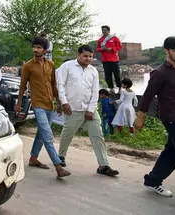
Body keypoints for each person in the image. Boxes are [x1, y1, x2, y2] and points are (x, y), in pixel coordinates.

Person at [135, 36, 175, 197]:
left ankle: (153, 181)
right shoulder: (159, 73)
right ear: (166, 51)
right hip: (172, 118)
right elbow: (147, 96)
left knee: (173, 152)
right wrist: (141, 116)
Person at [56, 45, 119, 176]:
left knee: (98, 135)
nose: (88, 59)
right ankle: (61, 156)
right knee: (68, 132)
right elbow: (60, 85)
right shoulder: (67, 67)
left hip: (90, 109)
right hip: (72, 108)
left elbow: (95, 91)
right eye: (85, 56)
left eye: (90, 56)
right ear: (78, 55)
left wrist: (91, 109)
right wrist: (64, 102)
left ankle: (103, 165)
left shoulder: (93, 71)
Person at [16, 36, 70, 178]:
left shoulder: (50, 64)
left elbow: (54, 85)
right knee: (47, 134)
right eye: (34, 47)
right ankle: (58, 166)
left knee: (41, 132)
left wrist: (58, 102)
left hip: (49, 104)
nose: (35, 50)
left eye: (39, 47)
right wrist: (19, 103)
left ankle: (33, 158)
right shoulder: (28, 66)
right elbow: (22, 87)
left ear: (45, 50)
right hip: (37, 104)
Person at [96, 25, 123, 93]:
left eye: (105, 30)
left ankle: (120, 88)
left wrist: (111, 49)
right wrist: (102, 49)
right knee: (107, 75)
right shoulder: (100, 40)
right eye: (102, 30)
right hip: (105, 60)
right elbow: (97, 49)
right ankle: (111, 88)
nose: (103, 31)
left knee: (117, 74)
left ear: (108, 31)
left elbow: (120, 46)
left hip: (114, 60)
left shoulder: (114, 38)